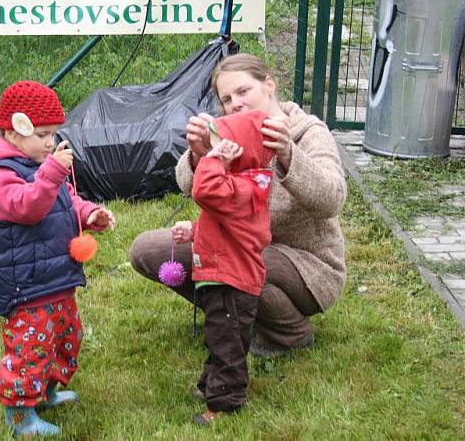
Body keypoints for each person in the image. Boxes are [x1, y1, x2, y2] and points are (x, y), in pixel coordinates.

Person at [130, 53, 347, 358]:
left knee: (236, 261)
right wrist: (201, 155)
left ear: (269, 85)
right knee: (147, 251)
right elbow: (189, 185)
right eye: (227, 99)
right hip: (242, 244)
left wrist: (287, 154)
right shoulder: (229, 132)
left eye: (244, 91)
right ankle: (229, 315)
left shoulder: (307, 131)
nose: (236, 104)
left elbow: (333, 199)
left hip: (306, 264)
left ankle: (288, 331)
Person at [0, 81, 115, 436]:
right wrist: (52, 171)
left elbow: (65, 200)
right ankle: (19, 414)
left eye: (53, 134)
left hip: (56, 277)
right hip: (25, 285)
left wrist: (89, 213)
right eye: (43, 135)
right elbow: (28, 207)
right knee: (30, 347)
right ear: (14, 132)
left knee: (66, 338)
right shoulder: (1, 174)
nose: (51, 143)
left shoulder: (41, 163)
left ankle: (45, 391)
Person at [171, 110, 274, 426]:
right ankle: (210, 386)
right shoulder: (239, 186)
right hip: (224, 277)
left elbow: (204, 191)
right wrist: (193, 230)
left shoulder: (246, 187)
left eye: (221, 145)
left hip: (233, 283)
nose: (214, 150)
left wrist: (212, 160)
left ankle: (226, 404)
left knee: (227, 343)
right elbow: (223, 225)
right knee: (219, 337)